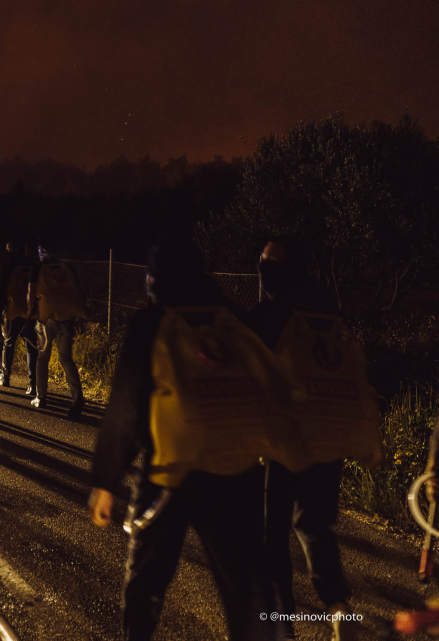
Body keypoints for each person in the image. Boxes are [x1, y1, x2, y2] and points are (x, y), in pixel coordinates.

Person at [89, 236, 272, 641]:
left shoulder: (151, 325)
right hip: (235, 471)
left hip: (169, 473)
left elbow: (126, 409)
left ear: (155, 278)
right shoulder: (236, 321)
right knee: (242, 586)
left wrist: (105, 481)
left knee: (147, 582)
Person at [248, 237, 357, 640]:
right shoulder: (329, 313)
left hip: (281, 440)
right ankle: (338, 607)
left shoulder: (268, 316)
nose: (263, 270)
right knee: (312, 523)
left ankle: (281, 623)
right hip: (329, 434)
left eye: (268, 264)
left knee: (271, 533)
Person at [27, 239, 88, 417]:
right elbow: (80, 290)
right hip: (67, 317)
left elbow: (31, 294)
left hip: (46, 318)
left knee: (42, 357)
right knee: (66, 358)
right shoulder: (68, 267)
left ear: (42, 251)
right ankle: (77, 397)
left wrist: (31, 312)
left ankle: (41, 397)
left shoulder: (37, 268)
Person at [0, 238, 36, 394]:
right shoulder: (31, 265)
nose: (7, 251)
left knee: (9, 342)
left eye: (9, 248)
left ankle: (5, 376)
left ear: (14, 249)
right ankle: (32, 383)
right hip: (30, 311)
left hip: (13, 310)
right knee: (31, 346)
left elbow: (2, 289)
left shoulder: (8, 265)